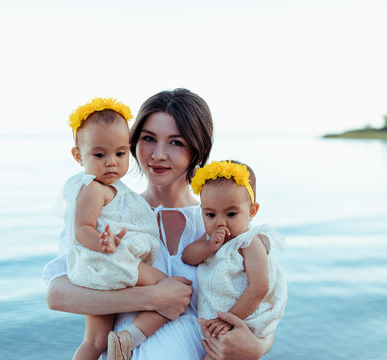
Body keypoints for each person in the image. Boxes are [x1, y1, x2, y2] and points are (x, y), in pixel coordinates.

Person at [43, 88, 275, 360]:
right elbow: (58, 295)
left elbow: (265, 302)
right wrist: (151, 298)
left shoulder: (221, 221)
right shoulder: (105, 213)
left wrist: (259, 347)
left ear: (198, 150)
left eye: (176, 142)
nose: (158, 154)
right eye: (149, 139)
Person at [62, 98, 171, 360]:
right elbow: (81, 229)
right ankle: (128, 340)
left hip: (101, 268)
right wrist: (104, 242)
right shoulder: (92, 188)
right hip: (110, 262)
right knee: (170, 291)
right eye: (100, 155)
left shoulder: (111, 189)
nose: (111, 162)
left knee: (94, 341)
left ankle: (118, 343)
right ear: (78, 156)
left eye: (120, 154)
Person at [182, 160, 287, 355]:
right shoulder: (210, 239)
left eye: (231, 214)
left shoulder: (249, 243)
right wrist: (208, 246)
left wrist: (227, 319)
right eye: (210, 214)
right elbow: (188, 257)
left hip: (241, 319)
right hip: (217, 324)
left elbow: (260, 287)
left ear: (252, 211)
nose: (220, 222)